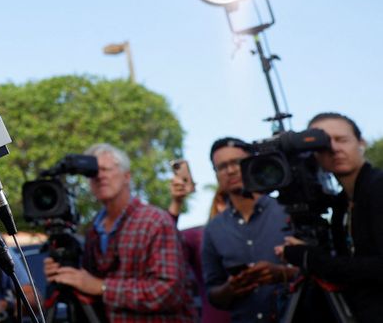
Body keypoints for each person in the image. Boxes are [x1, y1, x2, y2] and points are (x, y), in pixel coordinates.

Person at [44, 143, 195, 322]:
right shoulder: (92, 230)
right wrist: (65, 271)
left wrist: (103, 287)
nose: (99, 176)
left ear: (127, 176)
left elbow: (169, 291)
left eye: (106, 169)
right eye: (93, 172)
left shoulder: (155, 221)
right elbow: (87, 289)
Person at [278, 112, 383, 320]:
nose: (334, 149)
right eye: (323, 145)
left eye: (341, 140)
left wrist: (311, 258)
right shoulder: (341, 203)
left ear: (360, 143)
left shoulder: (377, 187)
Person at [199, 137, 295, 322]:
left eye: (237, 162)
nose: (231, 170)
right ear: (216, 174)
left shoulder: (287, 211)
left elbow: (319, 268)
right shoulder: (213, 229)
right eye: (222, 166)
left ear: (253, 163)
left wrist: (283, 274)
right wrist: (230, 289)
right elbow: (212, 292)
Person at [168, 170, 230, 323]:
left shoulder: (263, 234)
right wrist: (176, 203)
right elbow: (165, 244)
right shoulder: (198, 237)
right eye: (227, 198)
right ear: (219, 203)